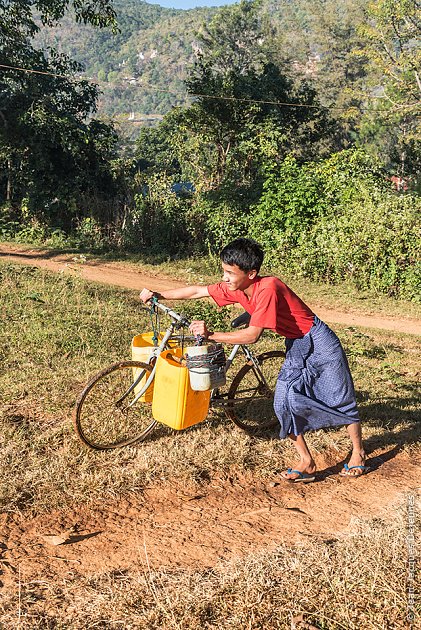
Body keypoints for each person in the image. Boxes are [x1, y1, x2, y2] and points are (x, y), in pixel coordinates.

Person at [140, 238, 368, 482]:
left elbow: (252, 335)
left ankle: (359, 452)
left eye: (230, 272)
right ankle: (306, 461)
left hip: (319, 340)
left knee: (338, 395)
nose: (225, 278)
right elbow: (198, 291)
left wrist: (210, 335)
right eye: (224, 271)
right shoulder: (236, 287)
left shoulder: (269, 288)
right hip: (296, 343)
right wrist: (158, 295)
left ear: (251, 273)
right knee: (283, 401)